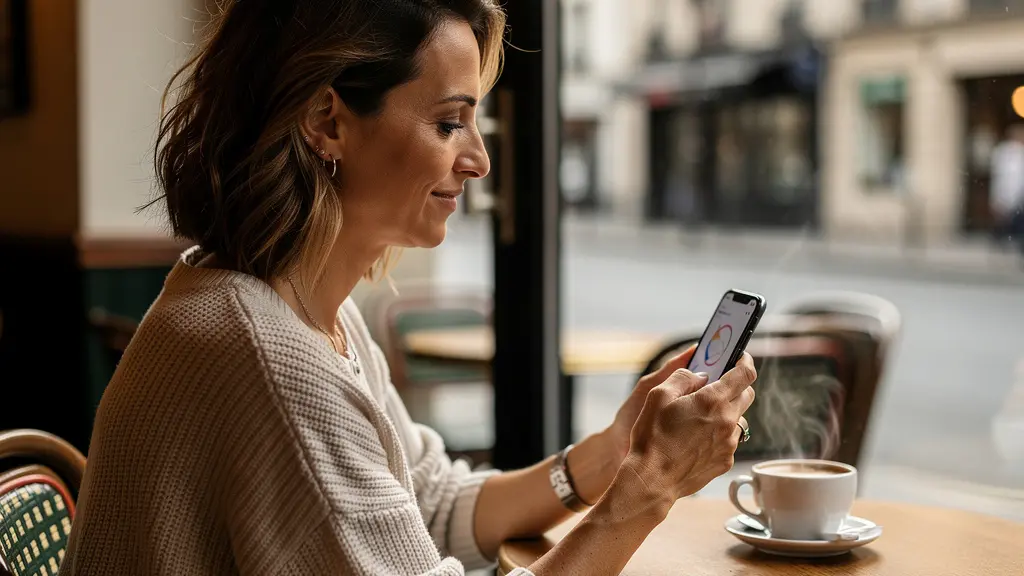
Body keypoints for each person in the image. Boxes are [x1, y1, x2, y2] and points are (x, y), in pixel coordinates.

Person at [61, 2, 757, 575]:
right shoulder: (270, 359)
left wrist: (611, 452)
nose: (480, 160)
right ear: (327, 121)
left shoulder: (298, 310)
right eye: (449, 123)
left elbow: (434, 504)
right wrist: (650, 486)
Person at [989, 124, 1024, 252]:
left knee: (1016, 219)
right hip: (1006, 191)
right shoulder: (1003, 152)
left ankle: (1014, 241)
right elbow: (1000, 175)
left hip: (1017, 192)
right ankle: (1002, 241)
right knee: (1004, 219)